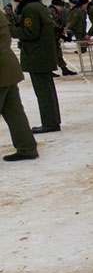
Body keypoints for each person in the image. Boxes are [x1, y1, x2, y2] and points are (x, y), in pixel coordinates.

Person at [8, 0, 62, 134]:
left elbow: (30, 32)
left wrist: (9, 28)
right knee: (47, 90)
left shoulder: (30, 8)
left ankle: (50, 123)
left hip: (37, 56)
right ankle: (52, 120)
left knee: (43, 92)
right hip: (41, 55)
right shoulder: (36, 6)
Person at [0, 11, 38, 161]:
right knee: (14, 112)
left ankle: (27, 148)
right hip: (8, 69)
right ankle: (27, 147)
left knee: (14, 111)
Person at [48, 0, 76, 76]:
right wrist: (61, 30)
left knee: (57, 53)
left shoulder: (54, 12)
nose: (62, 8)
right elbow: (52, 24)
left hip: (55, 36)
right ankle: (49, 71)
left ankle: (64, 69)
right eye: (61, 6)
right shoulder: (50, 12)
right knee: (52, 54)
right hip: (50, 37)